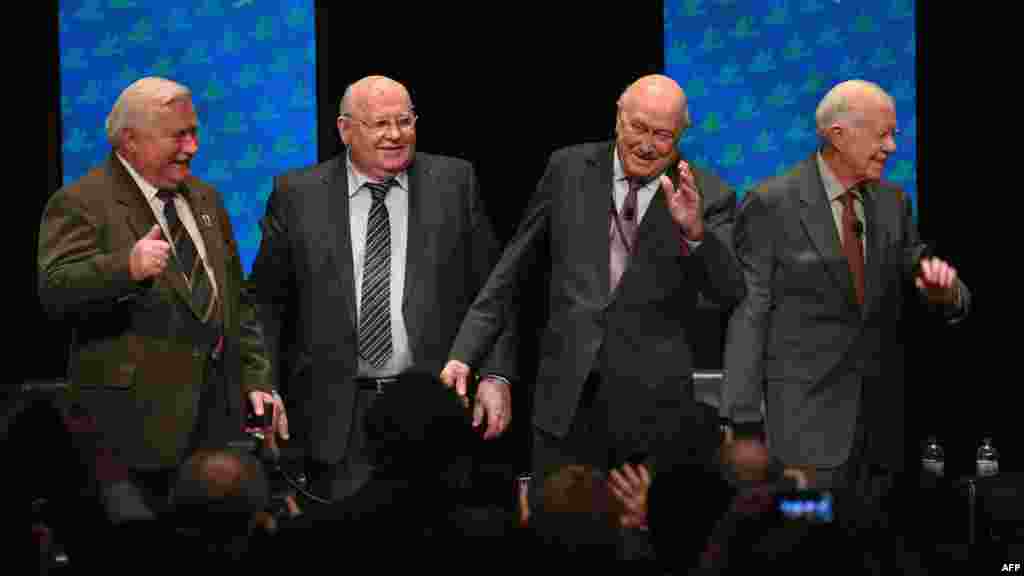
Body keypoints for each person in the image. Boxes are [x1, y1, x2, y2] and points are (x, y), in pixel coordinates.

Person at [443, 74, 745, 501]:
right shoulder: (567, 169)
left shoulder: (707, 193)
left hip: (653, 416)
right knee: (559, 540)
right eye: (638, 127)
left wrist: (696, 233)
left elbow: (731, 291)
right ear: (618, 117)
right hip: (563, 407)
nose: (647, 144)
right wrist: (465, 352)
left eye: (663, 135)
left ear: (681, 135)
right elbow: (511, 271)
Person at [720, 80, 969, 555]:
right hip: (802, 435)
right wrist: (743, 421)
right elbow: (750, 313)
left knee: (873, 551)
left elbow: (925, 274)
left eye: (894, 135)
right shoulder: (771, 203)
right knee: (804, 550)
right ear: (838, 134)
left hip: (881, 437)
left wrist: (945, 290)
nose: (892, 146)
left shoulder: (894, 204)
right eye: (883, 135)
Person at [248, 75, 515, 502]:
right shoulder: (297, 194)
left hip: (431, 410)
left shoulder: (455, 182)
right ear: (344, 129)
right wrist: (262, 383)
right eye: (380, 125)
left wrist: (497, 376)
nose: (395, 135)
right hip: (335, 418)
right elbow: (263, 306)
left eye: (405, 121)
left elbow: (494, 293)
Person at [38, 77, 272, 517]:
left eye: (194, 132)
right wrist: (125, 268)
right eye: (178, 135)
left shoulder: (205, 198)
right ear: (130, 139)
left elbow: (236, 302)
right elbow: (55, 291)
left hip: (217, 429)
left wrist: (257, 380)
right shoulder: (81, 202)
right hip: (134, 435)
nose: (192, 147)